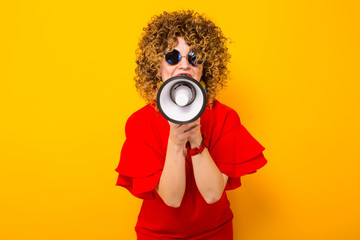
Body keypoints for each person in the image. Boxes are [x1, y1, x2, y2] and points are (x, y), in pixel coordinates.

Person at [115, 10, 268, 240]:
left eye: (194, 58)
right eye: (173, 57)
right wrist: (176, 142)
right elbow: (173, 198)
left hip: (215, 233)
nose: (184, 66)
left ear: (204, 68)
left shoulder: (225, 118)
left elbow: (212, 194)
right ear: (157, 67)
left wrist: (197, 141)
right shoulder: (139, 124)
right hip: (159, 235)